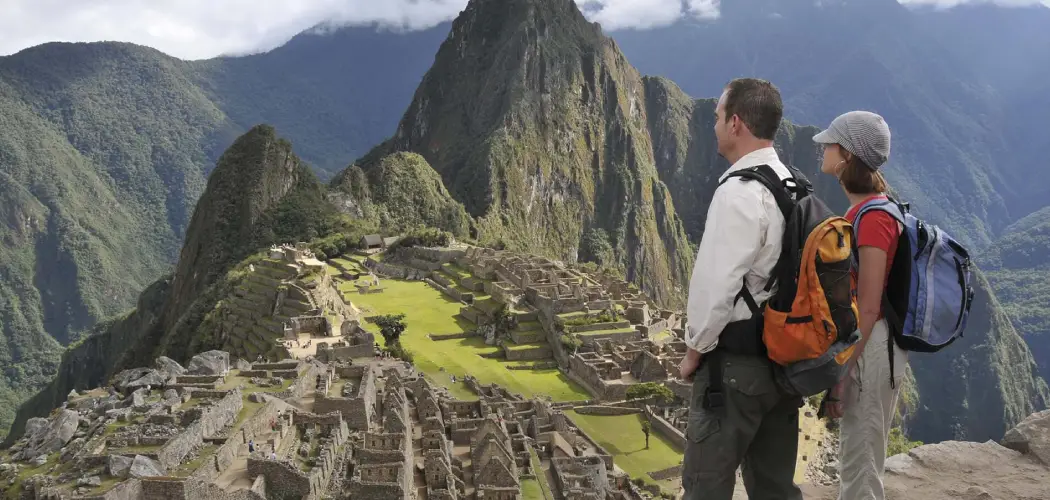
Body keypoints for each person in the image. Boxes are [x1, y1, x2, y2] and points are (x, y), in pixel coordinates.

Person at [678, 78, 803, 500]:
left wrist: (695, 349)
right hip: (783, 363)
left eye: (717, 117)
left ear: (735, 123)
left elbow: (717, 283)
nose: (712, 126)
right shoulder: (789, 182)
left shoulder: (739, 191)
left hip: (734, 371)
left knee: (705, 486)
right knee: (774, 488)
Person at [814, 111, 906, 500]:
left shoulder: (873, 220)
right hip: (869, 345)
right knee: (857, 462)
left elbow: (867, 308)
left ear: (847, 156)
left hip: (871, 349)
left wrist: (842, 372)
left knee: (861, 470)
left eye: (831, 143)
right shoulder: (868, 211)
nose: (823, 147)